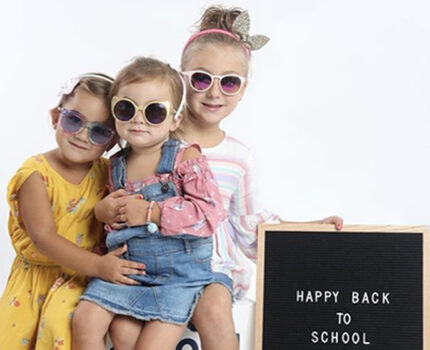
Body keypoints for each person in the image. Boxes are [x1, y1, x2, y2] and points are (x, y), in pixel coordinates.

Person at [104, 6, 343, 350]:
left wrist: (307, 231)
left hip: (208, 269)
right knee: (123, 329)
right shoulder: (147, 135)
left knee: (215, 307)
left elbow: (249, 228)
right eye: (202, 78)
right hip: (147, 266)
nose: (214, 93)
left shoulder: (238, 158)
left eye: (229, 82)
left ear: (243, 89)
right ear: (181, 80)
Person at [71, 57, 226, 350]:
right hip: (129, 271)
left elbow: (209, 215)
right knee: (85, 319)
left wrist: (152, 212)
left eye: (154, 111)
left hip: (177, 278)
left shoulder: (185, 158)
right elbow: (114, 225)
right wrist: (102, 211)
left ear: (174, 120)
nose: (138, 119)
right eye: (126, 109)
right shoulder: (114, 165)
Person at [0, 73, 146, 350]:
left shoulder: (107, 172)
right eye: (74, 121)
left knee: (66, 324)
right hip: (37, 281)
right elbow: (43, 239)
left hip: (84, 279)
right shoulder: (35, 175)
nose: (83, 135)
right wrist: (99, 266)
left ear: (111, 142)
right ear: (55, 117)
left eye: (98, 131)